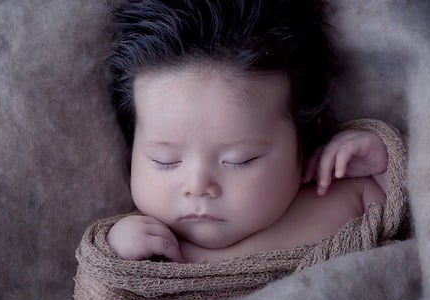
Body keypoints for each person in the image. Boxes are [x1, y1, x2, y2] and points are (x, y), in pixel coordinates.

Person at [105, 0, 389, 263]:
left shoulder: (346, 197)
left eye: (239, 160)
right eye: (164, 161)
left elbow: (420, 212)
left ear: (305, 145)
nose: (198, 186)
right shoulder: (139, 244)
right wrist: (112, 254)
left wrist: (383, 160)